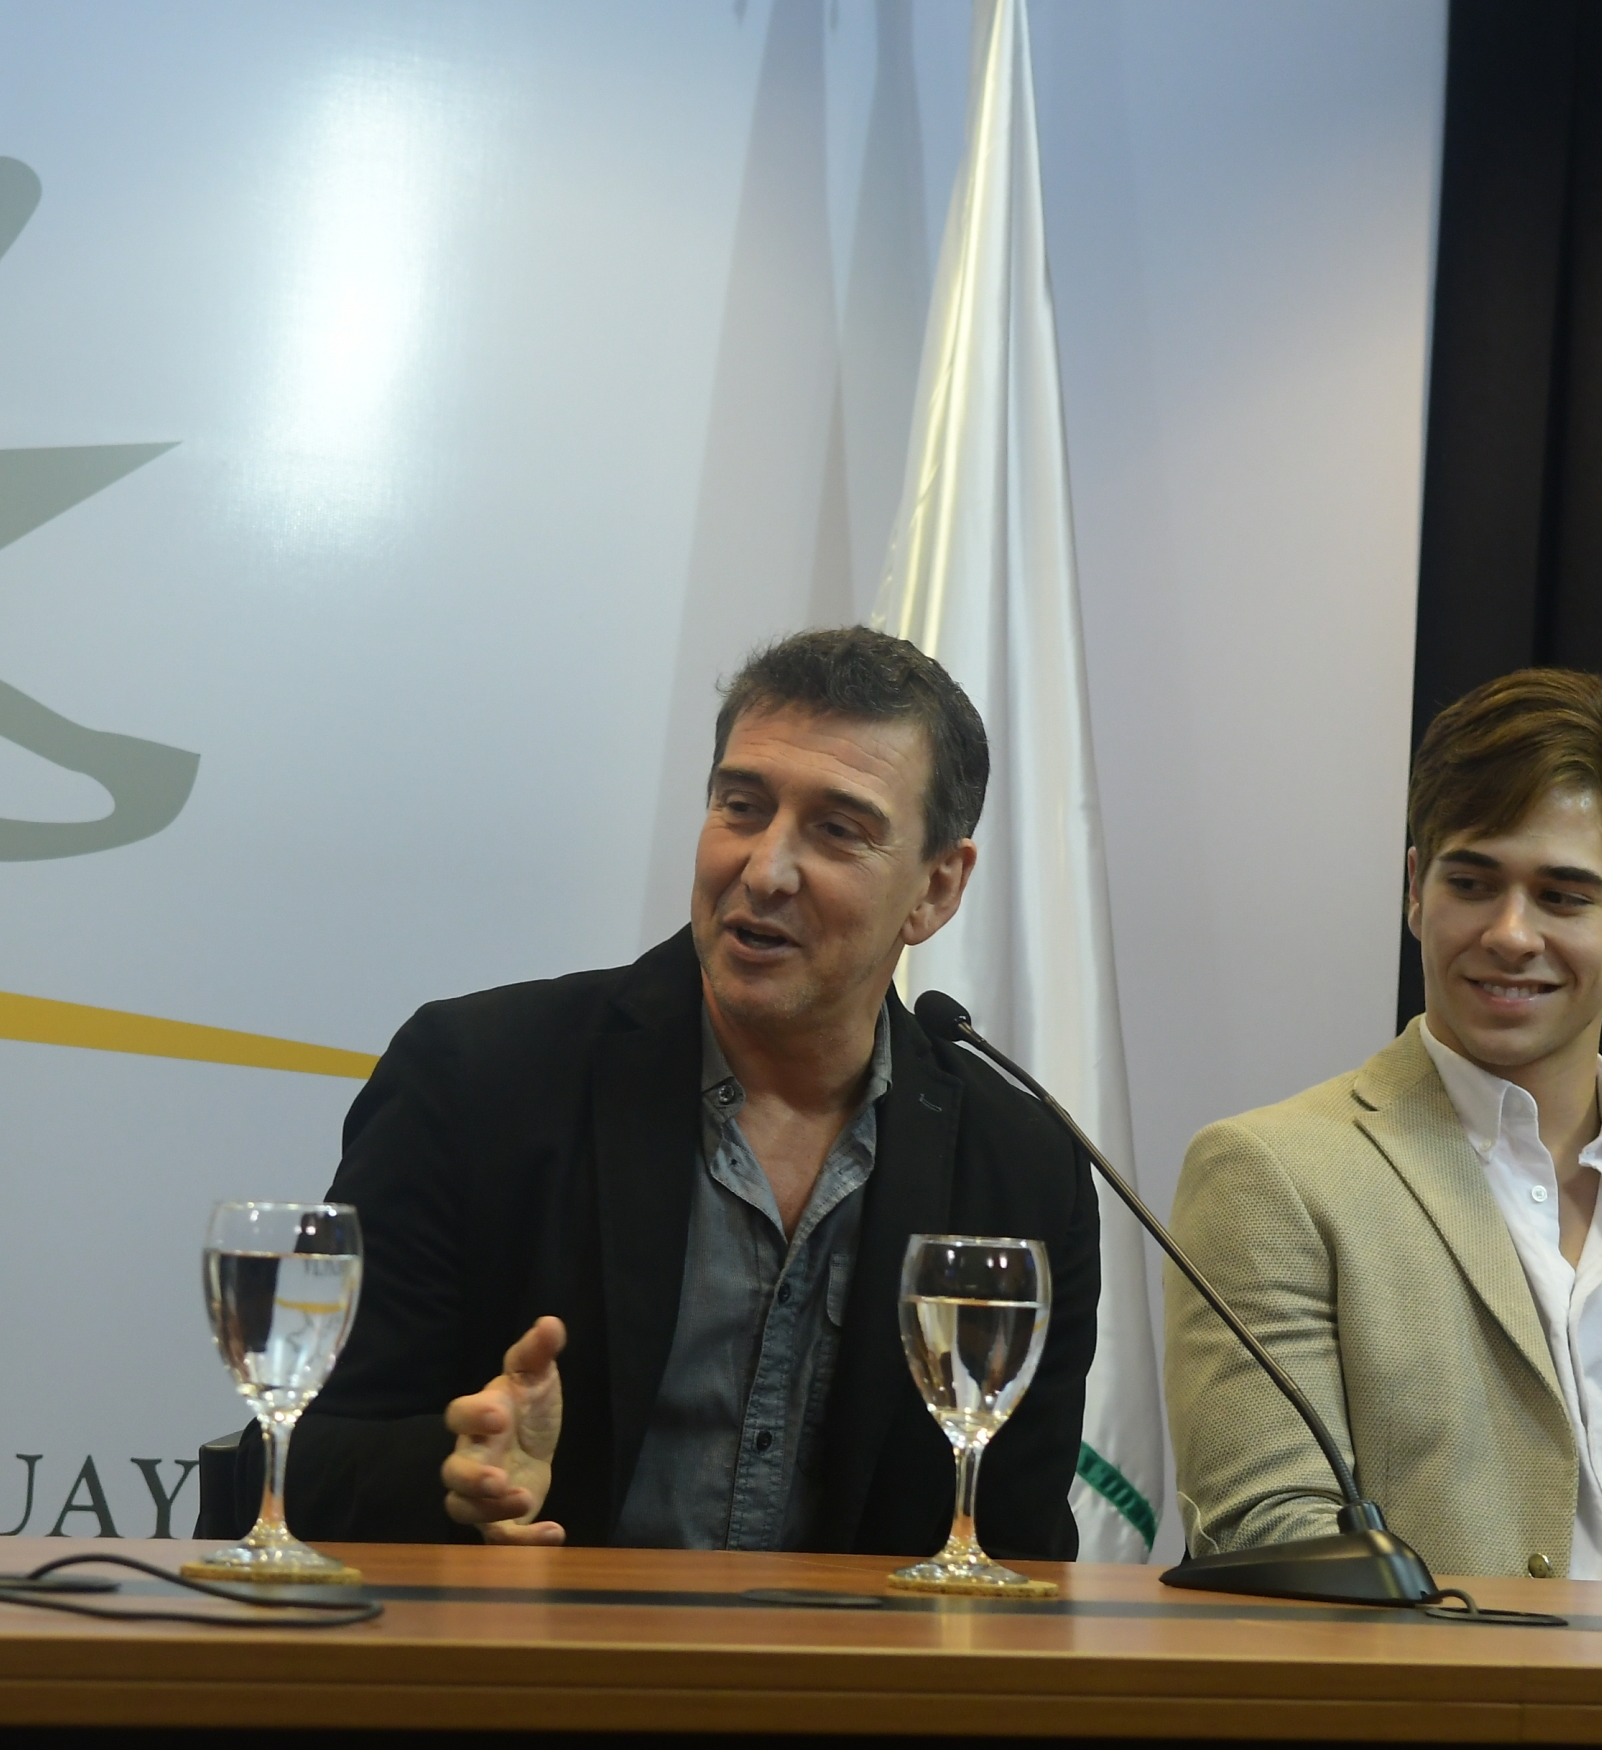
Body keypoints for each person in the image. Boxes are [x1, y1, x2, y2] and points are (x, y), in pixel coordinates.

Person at [287, 627, 1098, 1553]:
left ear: (937, 888)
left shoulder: (1025, 1169)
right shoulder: (479, 1079)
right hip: (528, 1680)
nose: (764, 869)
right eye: (742, 806)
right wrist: (454, 1476)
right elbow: (305, 1465)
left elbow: (1020, 1548)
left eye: (838, 830)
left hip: (858, 1694)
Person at [1164, 669, 1602, 1586]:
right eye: (1473, 880)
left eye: (1564, 896)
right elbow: (1275, 1542)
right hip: (1436, 1716)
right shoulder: (1272, 1174)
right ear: (1417, 889)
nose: (1509, 932)